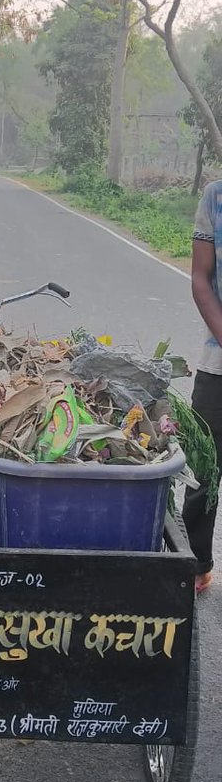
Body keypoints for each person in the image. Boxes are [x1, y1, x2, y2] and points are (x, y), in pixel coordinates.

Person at [182, 179, 222, 594]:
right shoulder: (215, 197)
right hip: (218, 365)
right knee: (204, 467)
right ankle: (196, 562)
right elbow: (201, 279)